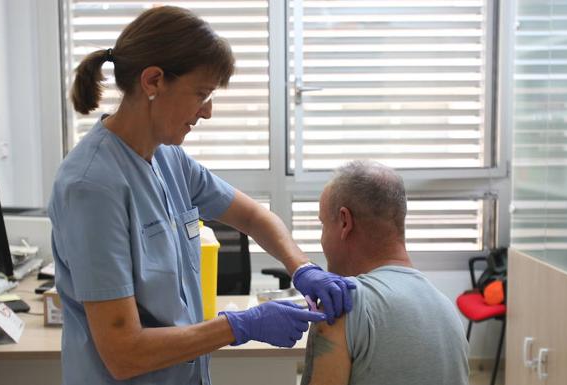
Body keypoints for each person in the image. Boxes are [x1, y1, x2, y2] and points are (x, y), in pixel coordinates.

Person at [48, 6, 355, 385]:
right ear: (153, 81)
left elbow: (253, 217)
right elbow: (123, 353)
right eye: (201, 94)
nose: (207, 112)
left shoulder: (169, 158)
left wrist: (302, 267)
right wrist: (239, 326)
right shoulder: (91, 187)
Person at [301, 160, 469, 385]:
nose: (322, 239)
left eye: (323, 225)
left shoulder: (342, 304)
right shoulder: (448, 312)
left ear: (344, 222)